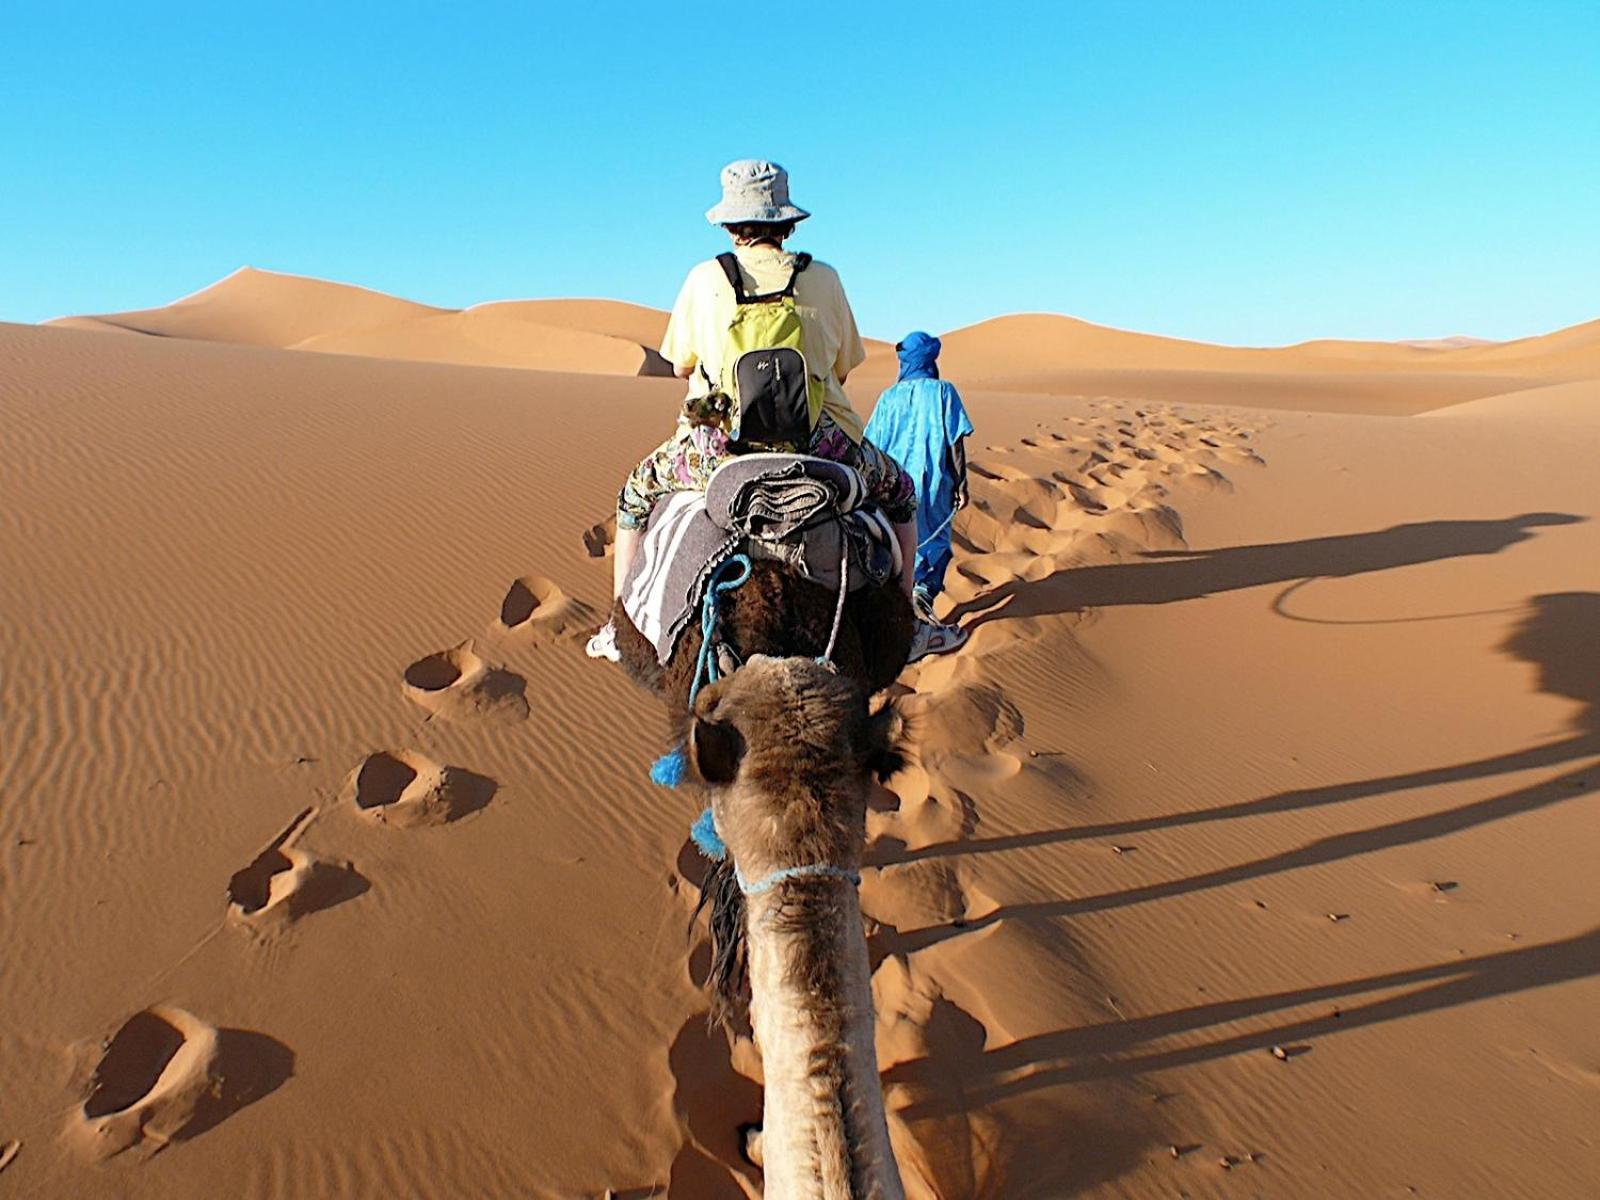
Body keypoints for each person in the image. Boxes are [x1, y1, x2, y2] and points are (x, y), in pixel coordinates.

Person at [587, 160, 949, 662]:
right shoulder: (823, 278)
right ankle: (907, 627)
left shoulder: (702, 280)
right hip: (817, 445)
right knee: (903, 495)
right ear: (787, 221)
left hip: (716, 449)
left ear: (729, 222)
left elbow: (677, 367)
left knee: (633, 498)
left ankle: (618, 624)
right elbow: (842, 371)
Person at [864, 332, 972, 652]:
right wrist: (962, 483)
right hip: (934, 483)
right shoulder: (944, 393)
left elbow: (871, 445)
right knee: (934, 543)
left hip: (893, 487)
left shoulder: (888, 398)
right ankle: (920, 599)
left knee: (896, 545)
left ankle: (901, 609)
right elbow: (955, 442)